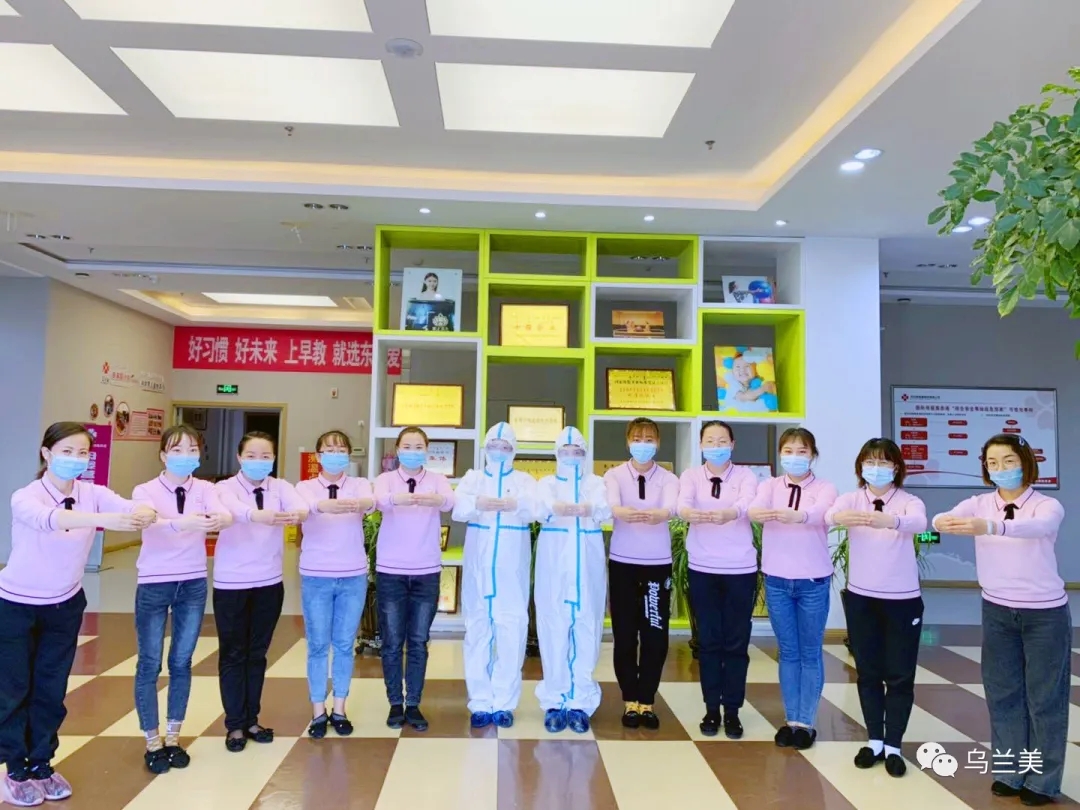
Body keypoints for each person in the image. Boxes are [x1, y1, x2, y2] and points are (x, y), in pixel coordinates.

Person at [0, 422, 155, 806]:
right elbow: (51, 520)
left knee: (51, 689)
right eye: (66, 451)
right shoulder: (26, 496)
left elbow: (130, 507)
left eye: (82, 453)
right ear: (46, 453)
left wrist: (142, 511)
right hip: (16, 606)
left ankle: (42, 763)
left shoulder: (93, 493)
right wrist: (101, 520)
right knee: (14, 688)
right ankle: (15, 769)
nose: (75, 459)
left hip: (64, 605)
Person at [932, 434, 1068, 806]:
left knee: (1045, 699)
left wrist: (991, 527)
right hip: (997, 611)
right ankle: (1010, 772)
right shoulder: (979, 503)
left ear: (1025, 462)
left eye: (1008, 461)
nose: (1000, 469)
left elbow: (1036, 529)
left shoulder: (1046, 505)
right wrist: (945, 521)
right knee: (1003, 695)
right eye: (992, 463)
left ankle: (1043, 782)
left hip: (1045, 614)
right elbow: (940, 520)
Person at [131, 424, 232, 774]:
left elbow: (223, 515)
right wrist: (184, 523)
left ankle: (173, 737)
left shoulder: (206, 488)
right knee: (149, 663)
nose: (185, 456)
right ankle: (152, 740)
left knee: (181, 661)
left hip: (192, 582)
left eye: (192, 449)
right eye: (177, 449)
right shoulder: (145, 490)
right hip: (154, 582)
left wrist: (221, 518)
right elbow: (148, 521)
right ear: (163, 455)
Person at [825, 438, 926, 778]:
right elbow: (828, 516)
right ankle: (875, 741)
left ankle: (894, 745)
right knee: (868, 672)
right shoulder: (853, 498)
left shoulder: (909, 501)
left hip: (903, 600)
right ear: (861, 467)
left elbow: (919, 523)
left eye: (884, 462)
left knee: (900, 674)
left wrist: (891, 521)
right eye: (870, 462)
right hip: (862, 598)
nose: (876, 468)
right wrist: (843, 515)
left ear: (896, 467)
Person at [214, 431, 307, 753]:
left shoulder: (280, 487)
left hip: (269, 581)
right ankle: (234, 724)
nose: (258, 461)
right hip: (231, 584)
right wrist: (259, 515)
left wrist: (297, 514)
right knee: (233, 653)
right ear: (239, 458)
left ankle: (252, 719)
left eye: (265, 456)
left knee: (257, 653)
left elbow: (300, 507)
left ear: (274, 459)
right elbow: (234, 511)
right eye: (251, 456)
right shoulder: (224, 488)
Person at [748, 427, 837, 751]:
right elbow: (753, 510)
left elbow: (820, 514)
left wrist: (794, 515)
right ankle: (791, 720)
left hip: (813, 581)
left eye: (802, 451)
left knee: (810, 652)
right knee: (788, 651)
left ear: (813, 455)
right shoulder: (770, 486)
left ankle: (806, 722)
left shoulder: (825, 488)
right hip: (777, 579)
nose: (795, 457)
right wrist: (766, 512)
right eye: (788, 451)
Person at [677, 420, 759, 738]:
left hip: (740, 569)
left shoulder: (745, 476)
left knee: (736, 643)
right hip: (702, 567)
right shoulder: (691, 476)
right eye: (710, 441)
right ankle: (711, 709)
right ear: (701, 445)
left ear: (732, 444)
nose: (716, 446)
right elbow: (682, 504)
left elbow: (748, 503)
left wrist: (731, 513)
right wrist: (689, 513)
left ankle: (733, 711)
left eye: (722, 440)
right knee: (709, 642)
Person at [453, 422, 537, 729]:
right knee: (477, 631)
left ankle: (504, 703)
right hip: (479, 571)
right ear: (485, 448)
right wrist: (478, 502)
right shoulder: (474, 479)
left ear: (514, 450)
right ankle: (480, 702)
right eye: (494, 446)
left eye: (505, 447)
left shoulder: (525, 481)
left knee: (511, 632)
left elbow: (537, 509)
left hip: (511, 573)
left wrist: (517, 504)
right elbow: (458, 509)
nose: (499, 451)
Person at [373, 427, 455, 732]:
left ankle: (414, 703)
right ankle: (395, 702)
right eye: (407, 446)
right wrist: (401, 498)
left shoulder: (437, 479)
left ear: (427, 450)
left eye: (418, 446)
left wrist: (431, 498)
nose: (412, 451)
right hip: (391, 570)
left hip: (426, 570)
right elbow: (378, 501)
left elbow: (449, 502)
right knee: (392, 641)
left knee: (418, 641)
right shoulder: (385, 480)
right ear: (397, 449)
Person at [294, 430, 374, 739]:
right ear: (318, 455)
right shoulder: (304, 487)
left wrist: (352, 503)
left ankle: (339, 708)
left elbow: (370, 503)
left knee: (343, 644)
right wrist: (322, 506)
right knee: (317, 645)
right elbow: (302, 510)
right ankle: (318, 711)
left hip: (352, 575)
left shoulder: (358, 484)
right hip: (316, 575)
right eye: (329, 449)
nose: (335, 454)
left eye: (341, 449)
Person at [534, 427, 612, 734]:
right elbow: (540, 509)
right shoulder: (547, 484)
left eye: (578, 452)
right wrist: (564, 508)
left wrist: (586, 508)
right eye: (565, 452)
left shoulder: (596, 484)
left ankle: (580, 702)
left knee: (587, 630)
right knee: (553, 631)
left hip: (587, 569)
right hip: (554, 569)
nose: (571, 457)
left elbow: (604, 510)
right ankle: (554, 701)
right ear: (556, 454)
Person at [604, 417, 678, 731]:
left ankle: (647, 700)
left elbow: (670, 509)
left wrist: (658, 514)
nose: (643, 444)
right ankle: (629, 700)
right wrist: (624, 512)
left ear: (658, 443)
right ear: (628, 441)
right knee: (624, 636)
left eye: (649, 439)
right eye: (637, 438)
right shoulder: (614, 475)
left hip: (656, 565)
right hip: (622, 563)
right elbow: (613, 505)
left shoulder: (669, 478)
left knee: (655, 636)